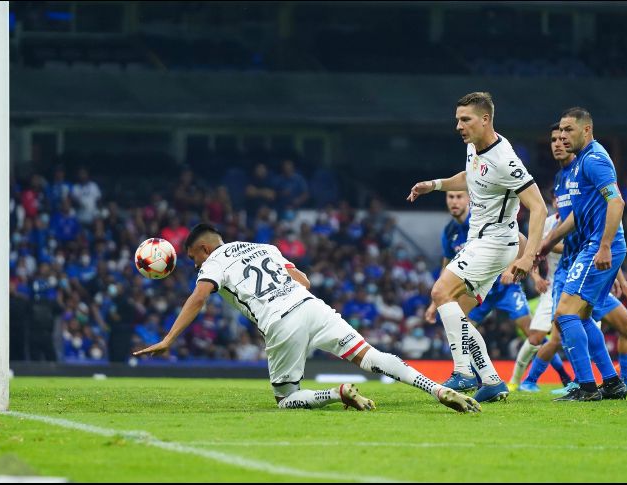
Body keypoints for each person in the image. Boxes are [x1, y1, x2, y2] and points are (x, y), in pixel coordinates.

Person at [134, 223, 481, 413]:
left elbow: (197, 299)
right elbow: (304, 280)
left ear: (204, 249)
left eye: (193, 256)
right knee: (371, 356)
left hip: (281, 322)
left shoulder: (213, 264)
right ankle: (437, 391)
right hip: (311, 305)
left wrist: (168, 340)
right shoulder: (264, 247)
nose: (194, 264)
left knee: (286, 399)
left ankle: (338, 392)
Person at [407, 92, 547, 404]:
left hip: (495, 243)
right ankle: (492, 380)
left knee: (440, 292)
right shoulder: (474, 147)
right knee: (459, 314)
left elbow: (538, 208)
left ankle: (463, 372)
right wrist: (435, 185)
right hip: (482, 241)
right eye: (457, 119)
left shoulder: (505, 160)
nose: (458, 125)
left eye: (465, 119)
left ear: (485, 119)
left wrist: (528, 256)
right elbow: (469, 178)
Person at [522, 123, 627, 393]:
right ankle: (611, 381)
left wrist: (610, 257)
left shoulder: (590, 164)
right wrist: (546, 243)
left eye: (565, 133)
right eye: (554, 137)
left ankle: (585, 385)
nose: (559, 140)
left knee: (566, 317)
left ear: (583, 131)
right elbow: (573, 219)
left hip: (587, 254)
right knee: (580, 319)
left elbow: (613, 205)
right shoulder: (563, 178)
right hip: (578, 259)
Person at [423, 190, 571, 393]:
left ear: (468, 199)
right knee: (460, 327)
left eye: (459, 196)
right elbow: (447, 264)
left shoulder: (480, 219)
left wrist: (517, 270)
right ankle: (480, 379)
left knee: (532, 332)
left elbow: (520, 240)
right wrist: (434, 303)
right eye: (450, 197)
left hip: (504, 288)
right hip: (474, 288)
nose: (454, 201)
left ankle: (564, 375)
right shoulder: (450, 232)